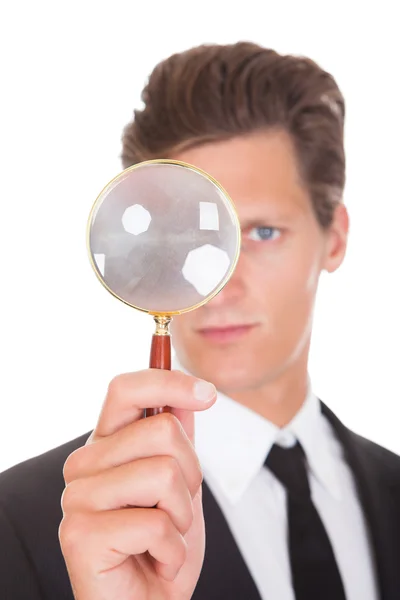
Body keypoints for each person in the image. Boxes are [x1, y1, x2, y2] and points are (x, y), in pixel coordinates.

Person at [1, 41, 399, 600]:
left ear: (334, 238)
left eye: (261, 233)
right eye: (184, 237)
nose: (219, 283)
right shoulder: (21, 525)